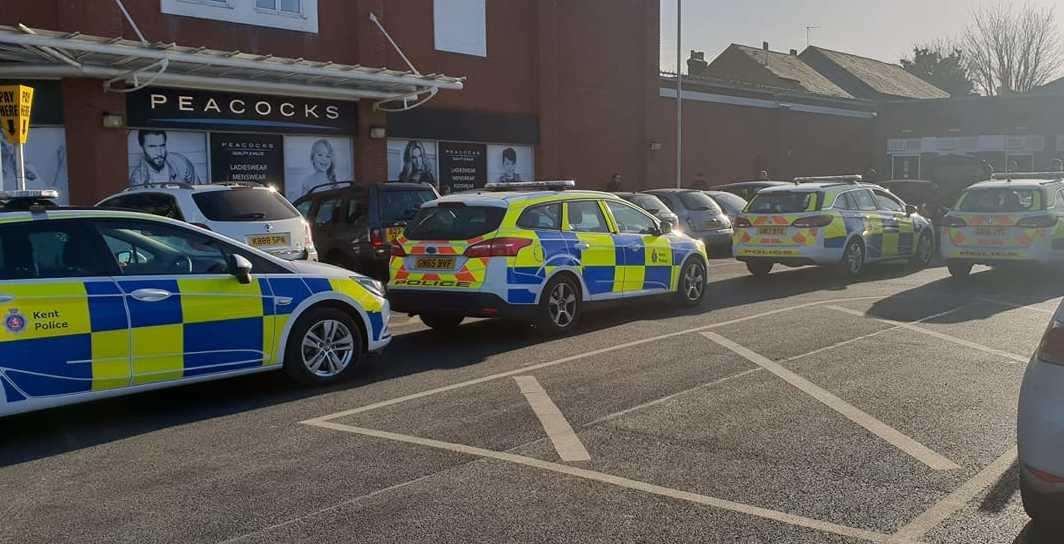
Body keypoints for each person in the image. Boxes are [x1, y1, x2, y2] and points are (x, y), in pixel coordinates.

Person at [128, 129, 199, 185]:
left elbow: (197, 190)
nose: (159, 152)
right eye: (152, 147)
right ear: (142, 147)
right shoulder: (137, 180)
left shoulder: (181, 162)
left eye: (162, 145)